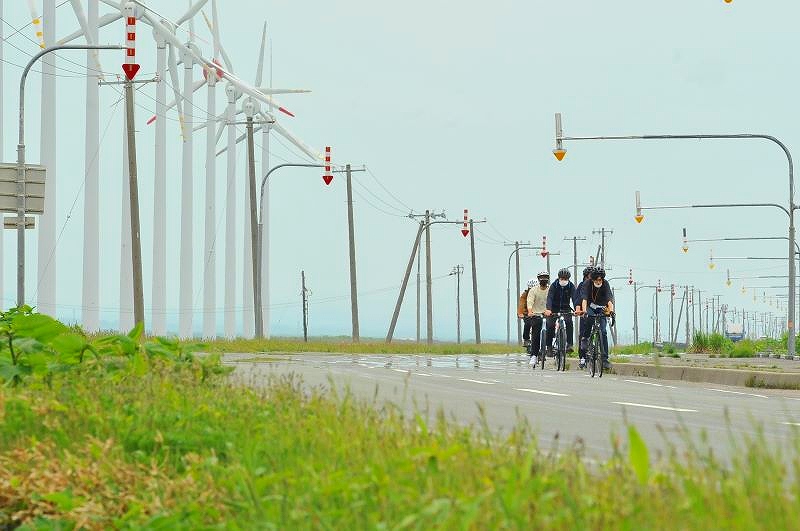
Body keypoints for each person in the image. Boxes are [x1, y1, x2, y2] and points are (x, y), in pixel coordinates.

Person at [581, 266, 614, 370]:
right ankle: (585, 338)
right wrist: (585, 311)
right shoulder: (587, 284)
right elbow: (584, 300)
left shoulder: (605, 284)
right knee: (590, 318)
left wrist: (611, 311)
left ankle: (604, 360)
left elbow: (609, 299)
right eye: (597, 279)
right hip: (590, 306)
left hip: (602, 307)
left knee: (603, 332)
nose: (599, 281)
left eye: (601, 279)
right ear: (593, 279)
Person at [544, 268, 575, 353]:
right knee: (550, 325)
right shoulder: (554, 285)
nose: (563, 280)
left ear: (568, 279)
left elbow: (575, 298)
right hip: (553, 308)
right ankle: (549, 347)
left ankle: (569, 344)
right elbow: (549, 298)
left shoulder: (571, 286)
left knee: (569, 323)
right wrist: (548, 309)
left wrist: (577, 309)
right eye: (562, 279)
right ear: (558, 278)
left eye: (565, 279)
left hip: (566, 308)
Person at [526, 271, 550, 362]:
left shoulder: (551, 289)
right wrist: (530, 311)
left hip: (548, 314)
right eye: (541, 278)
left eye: (545, 277)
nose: (544, 279)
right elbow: (530, 301)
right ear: (538, 279)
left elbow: (553, 300)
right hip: (536, 314)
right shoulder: (533, 290)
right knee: (535, 334)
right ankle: (534, 355)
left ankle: (550, 347)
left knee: (552, 329)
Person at [574, 266, 593, 368]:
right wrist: (578, 309)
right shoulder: (581, 285)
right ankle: (582, 357)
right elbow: (577, 299)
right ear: (585, 277)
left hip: (595, 310)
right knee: (583, 334)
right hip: (584, 311)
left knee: (601, 331)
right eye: (589, 276)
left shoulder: (597, 285)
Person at [518, 279, 535, 348]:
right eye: (530, 289)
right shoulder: (525, 295)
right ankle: (526, 339)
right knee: (528, 323)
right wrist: (520, 313)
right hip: (527, 313)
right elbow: (521, 304)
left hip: (539, 312)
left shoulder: (541, 292)